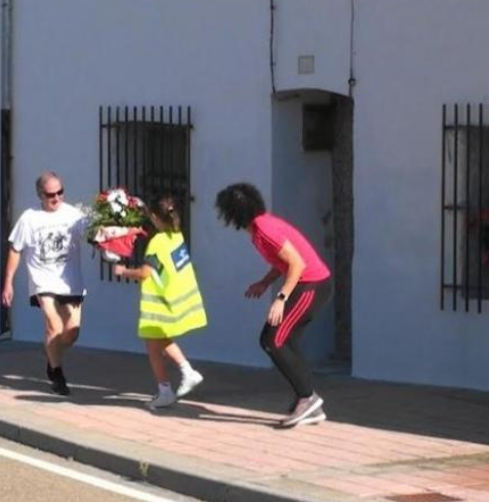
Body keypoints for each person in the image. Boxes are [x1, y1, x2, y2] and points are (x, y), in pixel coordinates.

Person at [215, 183, 333, 428]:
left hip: (312, 285)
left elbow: (297, 264)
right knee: (283, 341)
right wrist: (264, 283)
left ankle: (307, 398)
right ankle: (308, 400)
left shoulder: (263, 228)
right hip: (309, 285)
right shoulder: (259, 229)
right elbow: (282, 262)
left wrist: (280, 299)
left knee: (273, 340)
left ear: (233, 213)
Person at [113, 195, 206, 410]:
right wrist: (144, 206)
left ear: (155, 217)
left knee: (155, 347)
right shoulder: (176, 236)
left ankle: (174, 383)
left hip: (159, 304)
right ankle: (175, 382)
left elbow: (146, 273)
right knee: (159, 343)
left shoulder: (157, 242)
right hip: (173, 299)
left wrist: (123, 271)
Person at [2, 171, 87, 396]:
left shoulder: (74, 215)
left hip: (71, 282)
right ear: (40, 195)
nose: (57, 198)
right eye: (51, 194)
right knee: (54, 325)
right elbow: (15, 249)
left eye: (60, 192)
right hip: (43, 281)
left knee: (71, 332)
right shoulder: (30, 218)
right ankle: (57, 374)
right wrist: (8, 282)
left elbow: (93, 235)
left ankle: (52, 358)